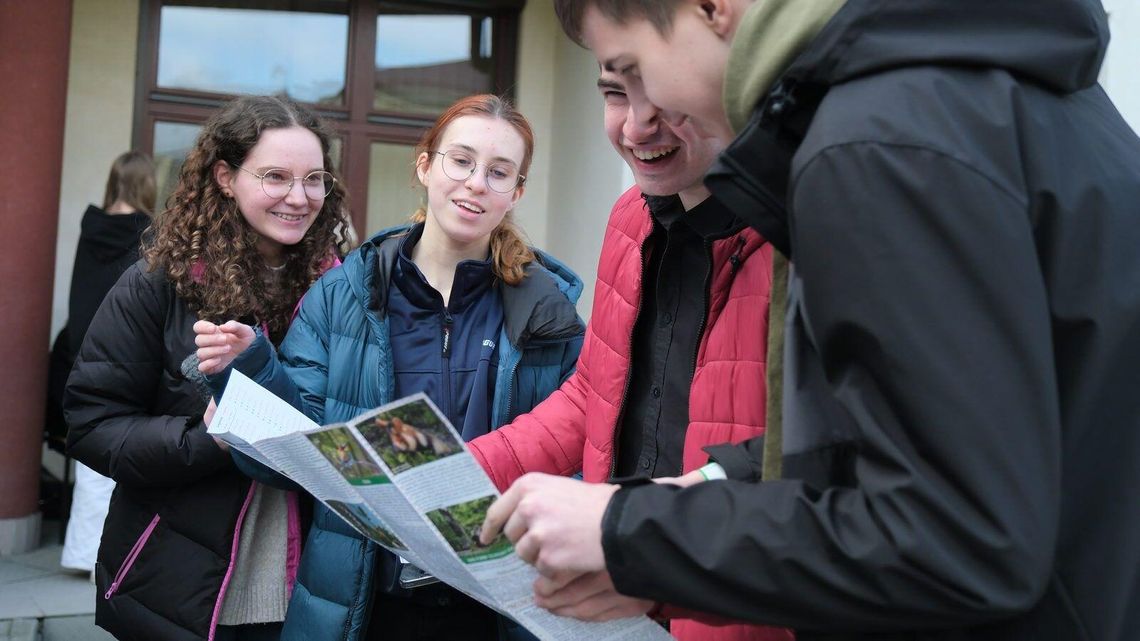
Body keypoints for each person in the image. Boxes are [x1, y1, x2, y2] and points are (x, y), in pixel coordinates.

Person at [483, 0, 1140, 639]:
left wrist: (638, 537)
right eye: (615, 89)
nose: (641, 116)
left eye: (635, 70)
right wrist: (655, 531)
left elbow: (954, 535)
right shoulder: (958, 95)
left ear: (712, 8)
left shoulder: (870, 147)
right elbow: (906, 447)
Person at [193, 94, 585, 641]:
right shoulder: (342, 296)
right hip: (366, 602)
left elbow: (581, 461)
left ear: (516, 192)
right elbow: (294, 458)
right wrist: (251, 372)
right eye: (461, 161)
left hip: (500, 609)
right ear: (425, 166)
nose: (476, 183)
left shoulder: (550, 316)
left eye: (499, 172)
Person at [464, 15, 789, 641]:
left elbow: (820, 453)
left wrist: (655, 527)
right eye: (615, 93)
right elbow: (595, 392)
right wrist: (466, 471)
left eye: (661, 92)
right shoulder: (630, 218)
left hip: (733, 609)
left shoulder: (794, 234)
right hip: (618, 599)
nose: (637, 125)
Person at [65, 94, 350, 641]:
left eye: (314, 179)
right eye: (275, 177)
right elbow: (92, 423)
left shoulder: (344, 293)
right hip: (179, 587)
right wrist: (207, 438)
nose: (299, 197)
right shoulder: (159, 283)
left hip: (313, 591)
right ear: (225, 177)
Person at [56, 150, 156, 578]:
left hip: (82, 351)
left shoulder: (90, 226)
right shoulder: (148, 233)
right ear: (147, 184)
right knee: (124, 461)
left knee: (91, 459)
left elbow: (80, 293)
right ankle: (109, 559)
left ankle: (82, 554)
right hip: (127, 350)